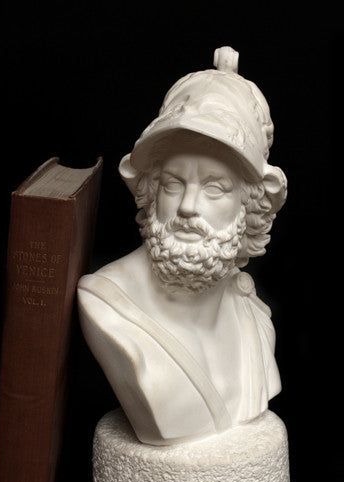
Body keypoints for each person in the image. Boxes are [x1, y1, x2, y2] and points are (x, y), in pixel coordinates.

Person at [78, 47, 287, 446]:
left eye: (215, 187)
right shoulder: (106, 306)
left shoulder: (254, 320)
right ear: (151, 190)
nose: (189, 207)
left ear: (251, 203)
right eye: (173, 183)